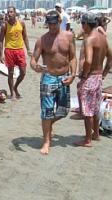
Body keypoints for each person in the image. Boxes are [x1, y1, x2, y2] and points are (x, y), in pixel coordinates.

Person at [30, 10, 76, 155]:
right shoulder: (42, 40)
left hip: (64, 77)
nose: (52, 27)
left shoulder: (69, 36)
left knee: (63, 111)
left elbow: (73, 57)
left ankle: (48, 124)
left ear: (59, 21)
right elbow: (33, 60)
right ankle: (46, 141)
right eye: (49, 24)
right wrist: (35, 67)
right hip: (48, 77)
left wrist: (73, 75)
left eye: (54, 24)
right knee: (47, 111)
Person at [75, 13, 112, 147]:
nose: (81, 26)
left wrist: (84, 74)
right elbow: (110, 57)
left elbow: (88, 60)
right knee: (95, 108)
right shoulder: (102, 38)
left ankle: (87, 139)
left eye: (82, 23)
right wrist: (105, 73)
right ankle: (96, 134)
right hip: (98, 76)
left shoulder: (89, 39)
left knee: (86, 110)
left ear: (85, 24)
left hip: (90, 77)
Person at [0, 6, 32, 100]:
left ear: (15, 13)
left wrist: (28, 49)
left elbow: (25, 37)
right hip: (9, 50)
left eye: (11, 12)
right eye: (8, 12)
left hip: (20, 50)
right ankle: (12, 93)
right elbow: (1, 41)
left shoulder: (21, 23)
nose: (9, 14)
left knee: (23, 72)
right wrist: (1, 55)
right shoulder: (4, 25)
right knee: (10, 73)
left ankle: (15, 87)